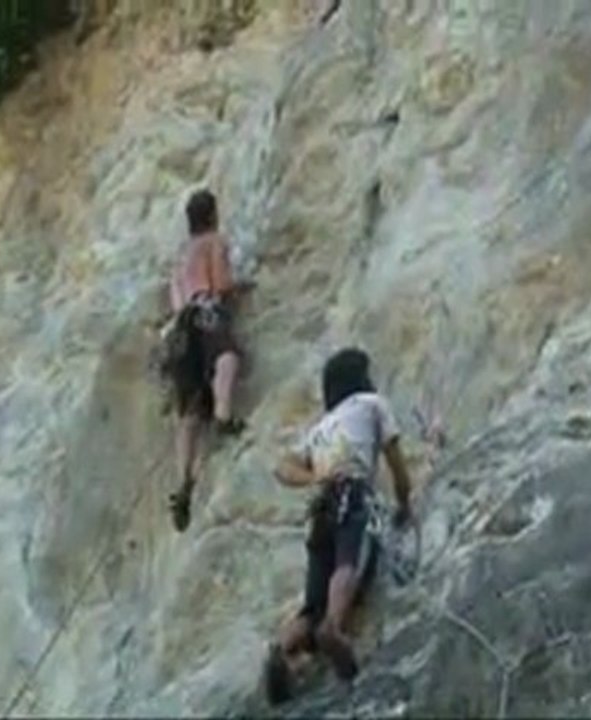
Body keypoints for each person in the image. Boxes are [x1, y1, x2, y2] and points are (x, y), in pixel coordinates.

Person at [264, 347, 414, 704]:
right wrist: (405, 503)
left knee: (311, 601)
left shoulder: (321, 428)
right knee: (349, 563)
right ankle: (334, 626)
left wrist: (315, 477)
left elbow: (282, 466)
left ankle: (283, 647)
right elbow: (395, 460)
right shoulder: (373, 404)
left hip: (321, 507)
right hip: (353, 496)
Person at [164, 189, 247, 532]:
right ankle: (225, 414)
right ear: (212, 216)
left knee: (189, 411)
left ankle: (184, 481)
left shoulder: (180, 257)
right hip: (207, 311)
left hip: (180, 328)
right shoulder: (213, 242)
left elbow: (176, 300)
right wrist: (239, 289)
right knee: (226, 358)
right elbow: (221, 283)